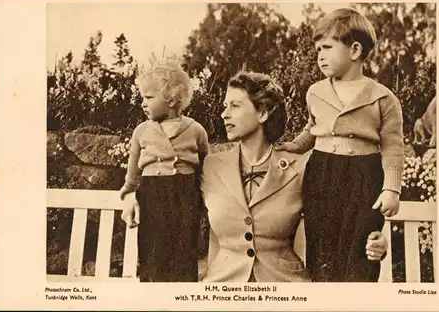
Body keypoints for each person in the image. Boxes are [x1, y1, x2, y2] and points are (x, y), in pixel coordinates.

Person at [200, 71, 388, 282]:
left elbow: (341, 215)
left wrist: (375, 239)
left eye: (235, 106)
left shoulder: (300, 168)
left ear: (263, 113)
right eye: (225, 106)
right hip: (223, 289)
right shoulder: (211, 166)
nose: (224, 114)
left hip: (286, 287)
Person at [278, 8, 405, 282]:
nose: (319, 55)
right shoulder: (316, 92)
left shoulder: (383, 98)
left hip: (364, 177)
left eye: (326, 47)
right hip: (322, 173)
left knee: (361, 251)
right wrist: (296, 146)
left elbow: (393, 146)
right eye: (317, 49)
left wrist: (391, 188)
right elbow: (312, 129)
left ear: (355, 50)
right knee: (322, 247)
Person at [119, 58, 209, 282]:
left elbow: (207, 169)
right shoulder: (141, 132)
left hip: (185, 196)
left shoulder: (196, 130)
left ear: (171, 98)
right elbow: (133, 173)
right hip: (152, 196)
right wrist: (129, 195)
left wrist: (206, 199)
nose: (142, 102)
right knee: (153, 253)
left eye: (148, 97)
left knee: (183, 253)